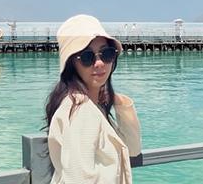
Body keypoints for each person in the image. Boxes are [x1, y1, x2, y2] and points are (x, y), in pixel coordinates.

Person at [45, 14, 142, 184]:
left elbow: (132, 150)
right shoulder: (80, 110)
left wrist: (118, 102)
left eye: (106, 54)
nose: (99, 63)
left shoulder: (92, 106)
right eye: (87, 57)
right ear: (71, 64)